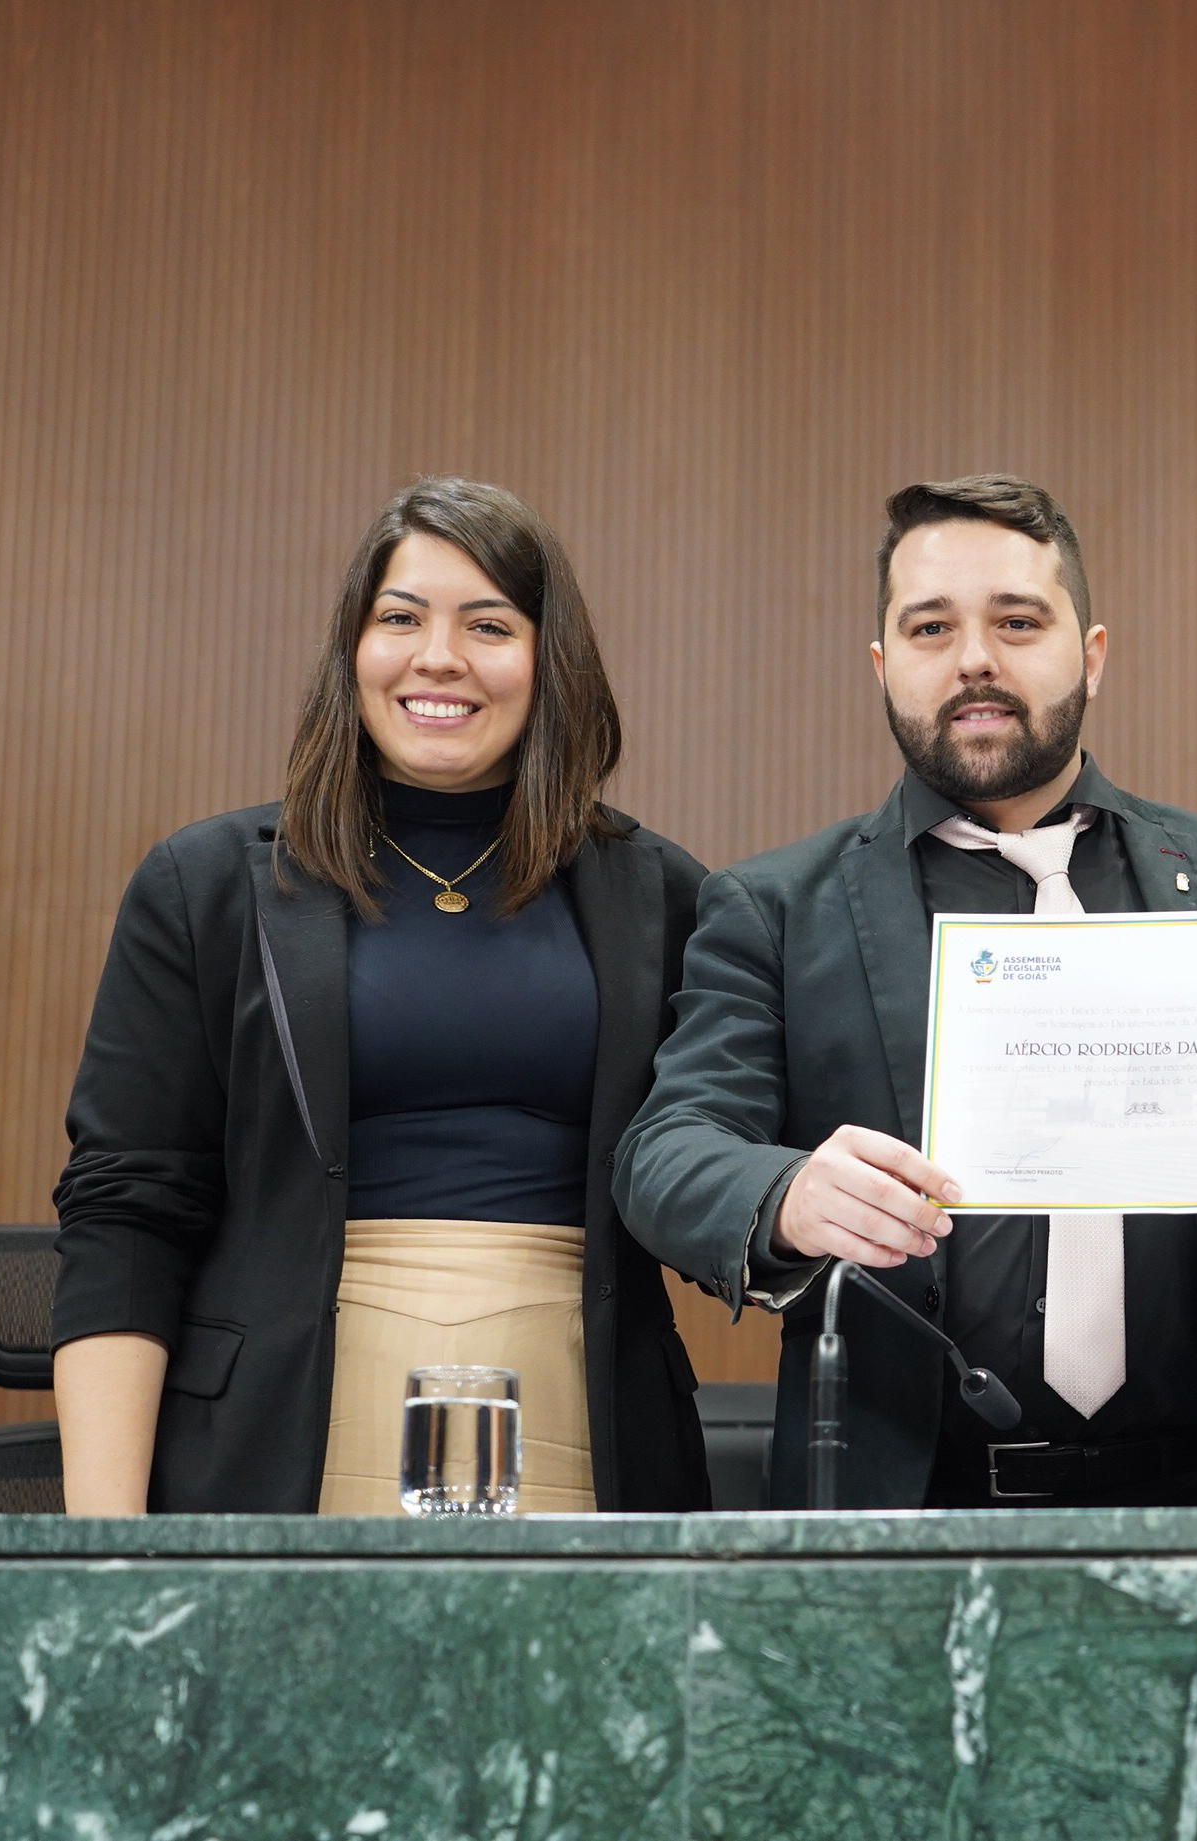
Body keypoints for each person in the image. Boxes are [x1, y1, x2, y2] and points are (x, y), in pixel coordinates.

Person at [615, 474, 1197, 1509]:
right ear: (883, 665)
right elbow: (666, 1151)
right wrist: (787, 1192)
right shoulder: (778, 909)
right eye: (931, 627)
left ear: (1093, 655)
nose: (975, 657)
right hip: (904, 1521)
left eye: (1017, 622)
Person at [50, 478, 714, 1515]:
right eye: (400, 618)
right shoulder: (204, 886)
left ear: (549, 661)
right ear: (352, 650)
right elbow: (125, 1213)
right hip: (274, 1437)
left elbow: (724, 1173)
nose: (437, 656)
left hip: (594, 1427)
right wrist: (105, 1547)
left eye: (487, 624)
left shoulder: (666, 895)